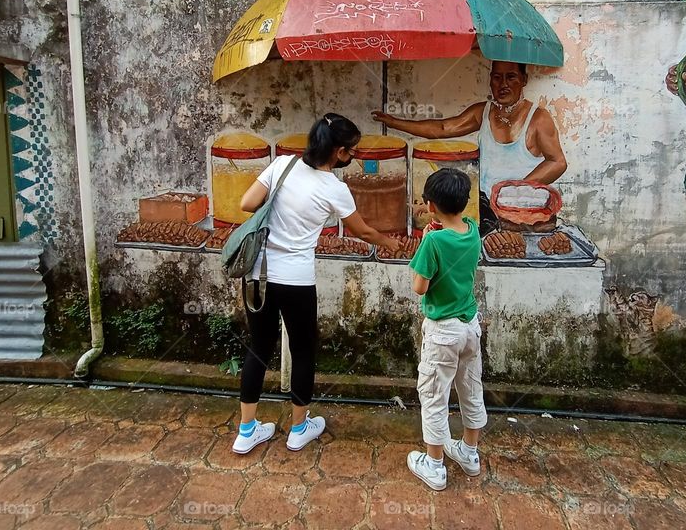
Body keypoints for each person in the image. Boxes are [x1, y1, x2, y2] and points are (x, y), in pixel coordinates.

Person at [232, 113, 401, 454]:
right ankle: (298, 428)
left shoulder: (282, 165)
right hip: (295, 281)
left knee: (258, 349)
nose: (353, 156)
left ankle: (247, 430)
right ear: (338, 151)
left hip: (258, 275)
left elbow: (246, 203)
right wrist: (391, 244)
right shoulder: (335, 189)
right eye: (351, 150)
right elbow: (363, 231)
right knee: (303, 350)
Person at [373, 61, 567, 235]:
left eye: (511, 77)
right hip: (485, 209)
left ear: (524, 79)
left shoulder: (539, 118)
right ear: (490, 81)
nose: (503, 84)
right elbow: (443, 128)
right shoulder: (483, 112)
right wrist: (395, 123)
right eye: (497, 78)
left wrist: (513, 192)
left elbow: (557, 162)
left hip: (525, 208)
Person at [406, 168, 486, 491]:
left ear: (431, 206)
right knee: (470, 387)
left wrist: (425, 242)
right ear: (465, 205)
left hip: (442, 331)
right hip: (470, 326)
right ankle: (469, 453)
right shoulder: (472, 230)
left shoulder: (433, 241)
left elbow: (419, 287)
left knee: (434, 395)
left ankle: (435, 465)